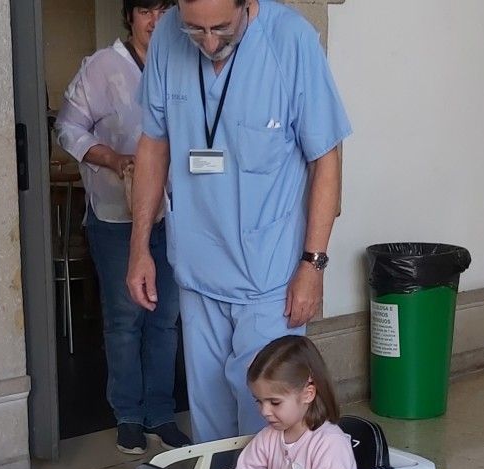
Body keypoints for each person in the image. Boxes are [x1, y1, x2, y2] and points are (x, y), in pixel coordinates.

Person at [126, 0, 352, 443]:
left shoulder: (291, 42)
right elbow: (153, 145)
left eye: (222, 30)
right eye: (196, 31)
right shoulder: (168, 37)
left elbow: (326, 160)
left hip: (269, 280)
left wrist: (313, 265)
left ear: (248, 4)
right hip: (197, 271)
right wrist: (139, 249)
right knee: (211, 428)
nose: (209, 43)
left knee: (270, 425)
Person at [56, 0, 191, 456]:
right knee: (124, 319)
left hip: (174, 216)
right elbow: (68, 128)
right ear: (130, 17)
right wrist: (113, 159)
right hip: (116, 216)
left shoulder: (183, 62)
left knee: (166, 318)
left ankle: (161, 412)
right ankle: (128, 416)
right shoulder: (102, 67)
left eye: (164, 11)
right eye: (145, 11)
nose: (155, 21)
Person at [218, 336, 355, 469]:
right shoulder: (267, 438)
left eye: (275, 402)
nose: (264, 411)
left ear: (308, 394)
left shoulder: (330, 443)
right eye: (259, 401)